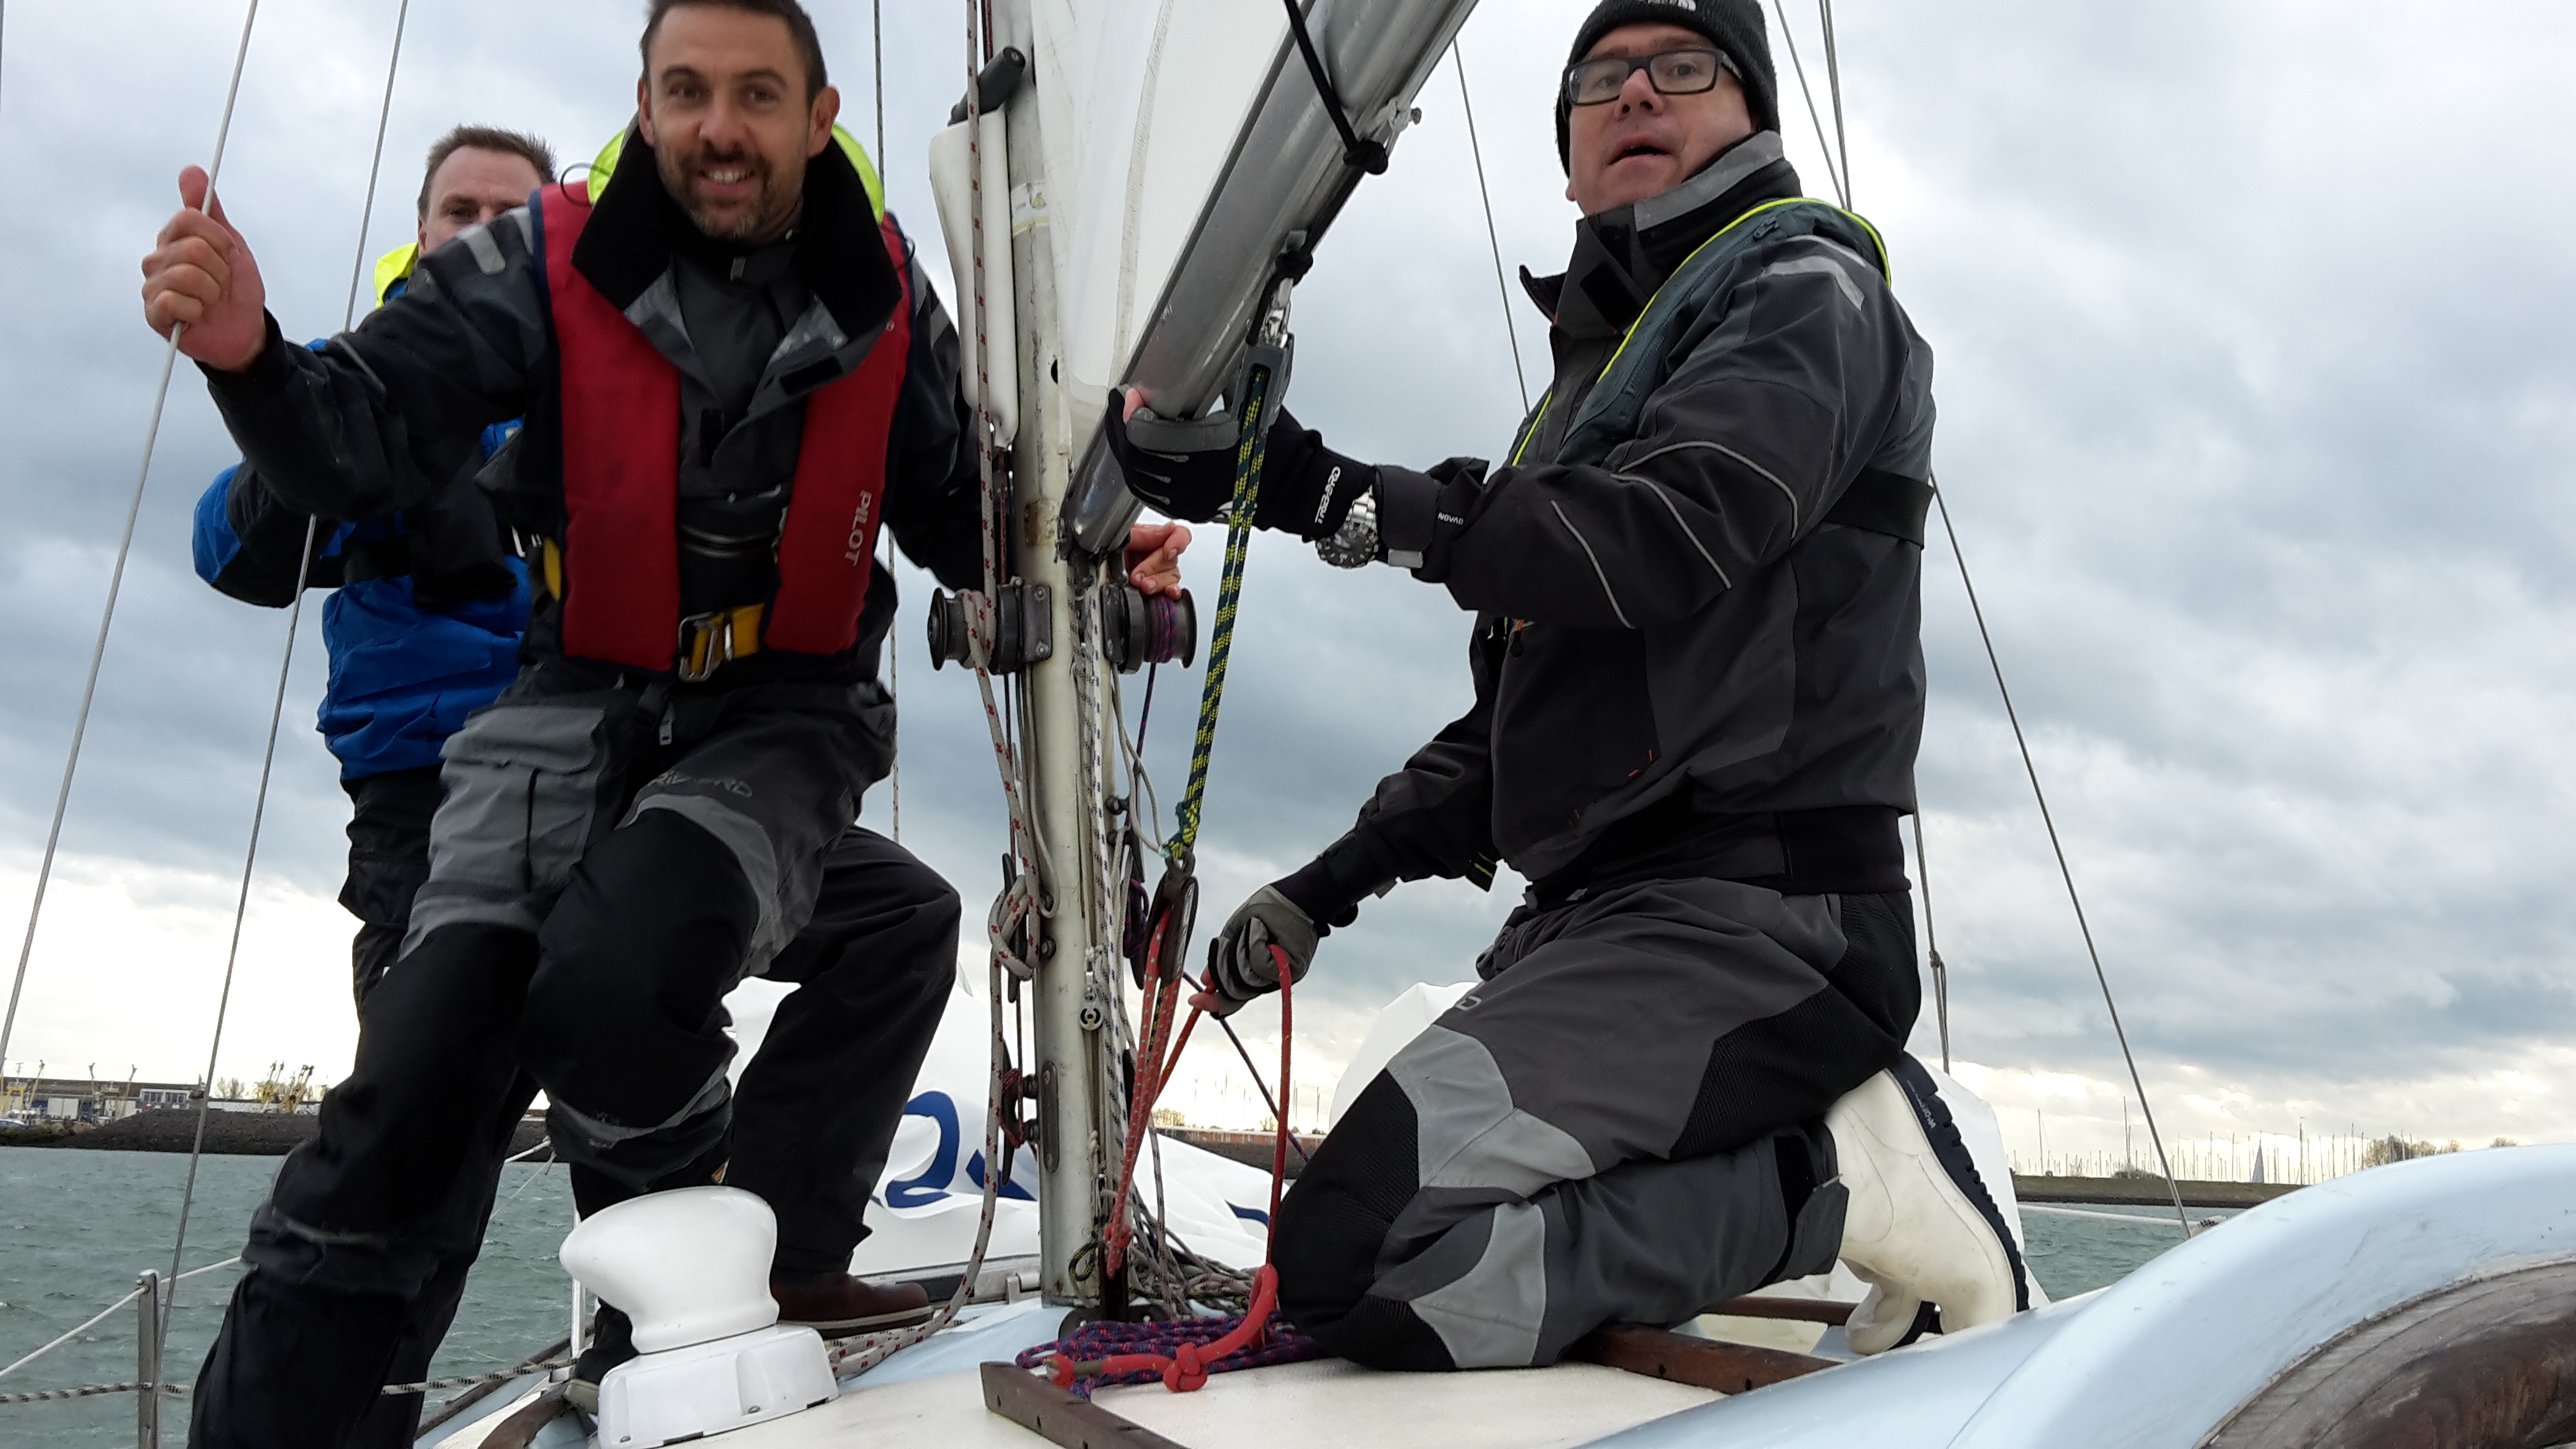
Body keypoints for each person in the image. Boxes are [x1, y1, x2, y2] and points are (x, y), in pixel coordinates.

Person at [140, 2, 1185, 1442]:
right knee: (402, 1106)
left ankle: (714, 1297)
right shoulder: (538, 264)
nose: (718, 128)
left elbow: (967, 516)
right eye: (686, 91)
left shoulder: (886, 299)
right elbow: (357, 429)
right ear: (643, 108)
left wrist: (1102, 547)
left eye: (757, 94)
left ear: (819, 119)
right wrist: (250, 356)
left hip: (783, 719)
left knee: (623, 976)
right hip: (569, 706)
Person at [1105, 0, 2029, 1372]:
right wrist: (1322, 890)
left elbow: (1678, 528)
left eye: (1682, 67)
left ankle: (1846, 1187)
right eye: (1600, 79)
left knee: (1362, 1254)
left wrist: (1322, 489)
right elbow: (1530, 731)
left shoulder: (1809, 298)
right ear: (1569, 156)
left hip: (1766, 925)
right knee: (1351, 1243)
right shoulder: (1600, 381)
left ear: (1753, 111)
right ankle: (1784, 1180)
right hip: (1608, 928)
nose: (1636, 93)